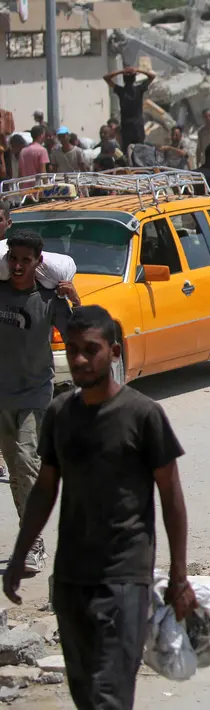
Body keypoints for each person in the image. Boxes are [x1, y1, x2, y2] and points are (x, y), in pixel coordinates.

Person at [3, 305, 196, 710]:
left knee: (109, 696)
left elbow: (171, 498)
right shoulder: (60, 413)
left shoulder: (143, 415)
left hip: (124, 578)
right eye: (72, 349)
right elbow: (45, 487)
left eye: (90, 350)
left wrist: (179, 577)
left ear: (114, 352)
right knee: (85, 695)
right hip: (72, 578)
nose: (78, 360)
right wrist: (20, 554)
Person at [0, 230, 78, 574]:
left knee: (25, 461)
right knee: (16, 472)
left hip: (34, 395)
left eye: (25, 260)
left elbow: (82, 333)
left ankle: (31, 541)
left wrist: (75, 299)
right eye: (13, 259)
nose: (18, 266)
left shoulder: (49, 299)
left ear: (38, 262)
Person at [104, 66, 156, 149]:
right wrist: (137, 70)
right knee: (139, 151)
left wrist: (121, 71)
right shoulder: (139, 89)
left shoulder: (121, 91)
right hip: (138, 127)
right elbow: (152, 76)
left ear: (124, 80)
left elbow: (106, 78)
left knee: (126, 152)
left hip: (126, 127)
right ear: (134, 79)